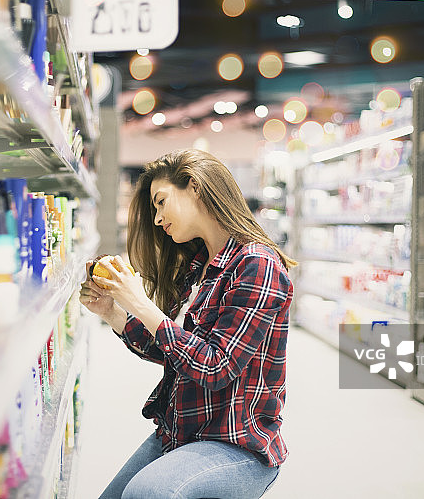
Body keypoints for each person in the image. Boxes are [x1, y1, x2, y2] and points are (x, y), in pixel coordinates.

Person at [79, 149, 296, 499]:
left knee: (147, 494)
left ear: (194, 187)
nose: (157, 218)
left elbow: (215, 367)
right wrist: (112, 312)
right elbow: (175, 350)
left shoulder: (257, 265)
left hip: (236, 444)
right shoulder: (199, 267)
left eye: (161, 202)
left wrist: (139, 301)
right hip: (182, 433)